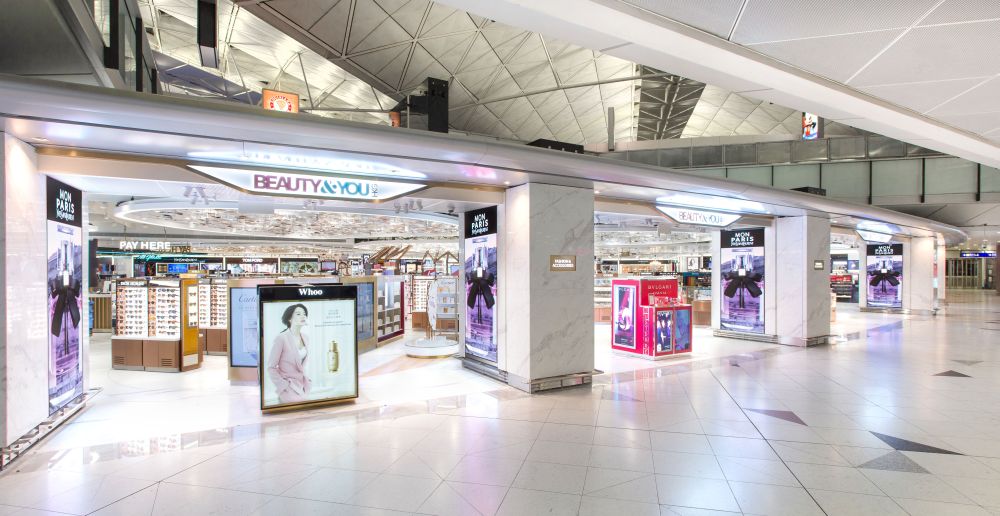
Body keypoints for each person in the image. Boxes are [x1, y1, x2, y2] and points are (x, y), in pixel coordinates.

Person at [267, 303, 312, 403]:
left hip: (302, 385)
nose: (303, 316)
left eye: (304, 313)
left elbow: (301, 365)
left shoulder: (306, 337)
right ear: (289, 319)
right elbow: (271, 367)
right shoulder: (281, 338)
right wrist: (283, 385)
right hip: (288, 386)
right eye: (298, 314)